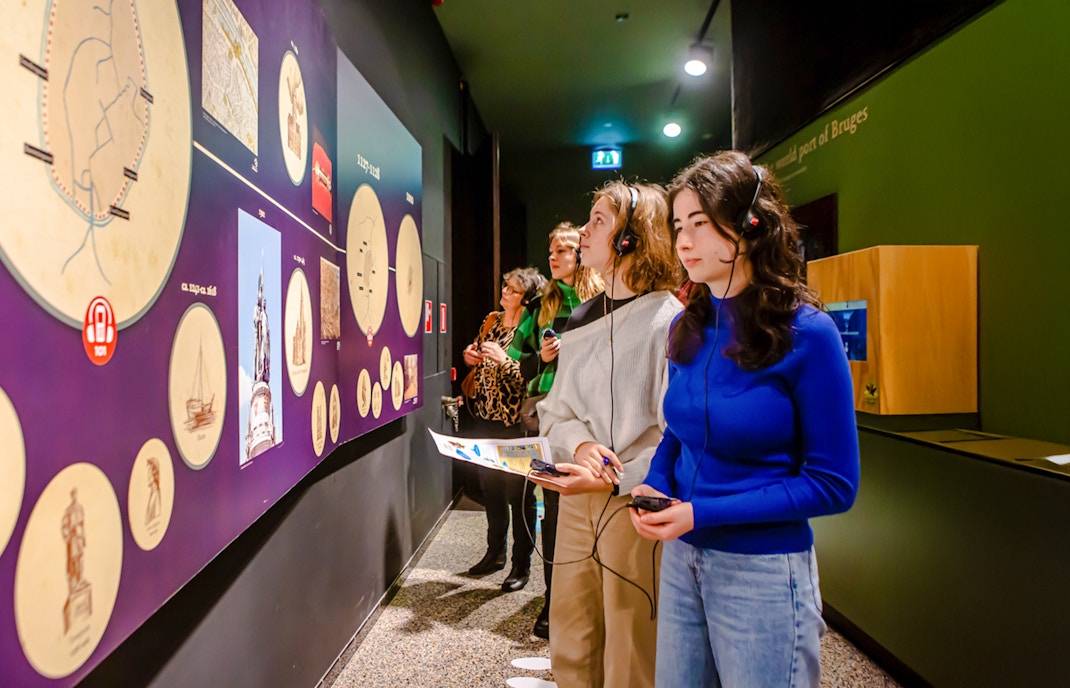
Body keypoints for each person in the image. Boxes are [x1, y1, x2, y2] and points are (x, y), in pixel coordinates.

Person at [629, 151, 860, 688]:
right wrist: (656, 483)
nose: (683, 242)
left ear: (751, 226)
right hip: (684, 559)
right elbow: (678, 435)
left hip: (764, 572)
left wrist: (700, 512)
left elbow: (834, 486)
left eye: (701, 225)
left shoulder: (810, 334)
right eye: (678, 226)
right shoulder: (687, 326)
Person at [533, 181, 683, 687]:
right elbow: (555, 411)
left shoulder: (670, 321)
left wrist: (616, 475)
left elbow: (679, 435)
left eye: (598, 220)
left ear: (630, 237)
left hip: (635, 502)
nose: (583, 230)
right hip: (576, 499)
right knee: (571, 639)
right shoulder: (577, 319)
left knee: (631, 646)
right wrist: (580, 445)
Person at [503, 222, 604, 638]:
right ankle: (552, 600)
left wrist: (574, 349)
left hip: (589, 416)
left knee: (588, 511)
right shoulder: (542, 302)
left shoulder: (599, 297)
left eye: (564, 250)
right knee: (554, 509)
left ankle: (586, 599)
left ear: (581, 253)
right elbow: (512, 355)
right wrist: (541, 359)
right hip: (544, 415)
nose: (555, 257)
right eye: (551, 250)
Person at [461, 267, 547, 592]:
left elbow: (535, 375)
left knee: (519, 495)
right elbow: (477, 352)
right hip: (485, 417)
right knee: (491, 490)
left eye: (512, 290)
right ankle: (494, 553)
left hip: (516, 424)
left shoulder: (534, 327)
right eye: (505, 287)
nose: (505, 293)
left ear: (525, 299)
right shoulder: (492, 320)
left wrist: (504, 360)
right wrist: (471, 356)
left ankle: (520, 565)